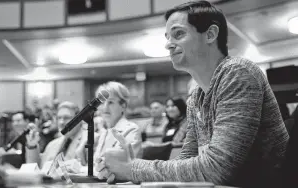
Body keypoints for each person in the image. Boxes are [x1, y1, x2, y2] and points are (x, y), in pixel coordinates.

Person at [95, 1, 289, 187]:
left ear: (210, 34)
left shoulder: (238, 73)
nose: (168, 45)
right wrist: (125, 168)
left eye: (178, 34)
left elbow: (217, 169)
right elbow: (187, 162)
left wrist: (132, 168)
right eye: (167, 38)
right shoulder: (196, 97)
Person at [25, 101, 84, 169]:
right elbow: (37, 170)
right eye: (59, 118)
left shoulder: (90, 141)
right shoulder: (52, 145)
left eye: (66, 118)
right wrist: (32, 145)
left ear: (79, 119)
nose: (61, 122)